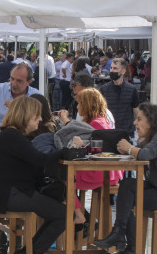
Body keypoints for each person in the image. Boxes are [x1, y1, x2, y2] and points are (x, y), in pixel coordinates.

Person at [95, 103, 157, 254]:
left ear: (151, 121)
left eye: (139, 119)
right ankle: (122, 238)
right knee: (127, 185)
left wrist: (129, 148)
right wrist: (130, 150)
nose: (135, 123)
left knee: (128, 195)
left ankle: (124, 239)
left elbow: (145, 155)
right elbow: (144, 153)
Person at [0, 96, 72, 254]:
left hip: (10, 193)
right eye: (36, 115)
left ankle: (27, 252)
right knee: (64, 214)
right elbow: (40, 160)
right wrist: (67, 151)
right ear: (26, 115)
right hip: (10, 195)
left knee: (60, 212)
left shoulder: (11, 135)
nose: (40, 119)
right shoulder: (11, 136)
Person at [58, 89, 122, 222]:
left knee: (62, 177)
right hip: (111, 173)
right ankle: (83, 219)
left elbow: (91, 151)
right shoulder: (103, 120)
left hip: (100, 172)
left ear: (87, 105)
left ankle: (78, 214)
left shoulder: (95, 123)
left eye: (80, 103)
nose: (77, 106)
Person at [0, 63, 39, 133]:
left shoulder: (35, 96)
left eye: (19, 81)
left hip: (24, 138)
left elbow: (39, 120)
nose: (14, 83)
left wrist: (17, 107)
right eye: (12, 79)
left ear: (29, 82)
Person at [99, 58, 140, 137]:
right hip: (109, 132)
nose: (112, 71)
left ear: (123, 71)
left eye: (115, 68)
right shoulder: (104, 89)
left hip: (127, 132)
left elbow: (136, 111)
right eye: (111, 68)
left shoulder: (132, 90)